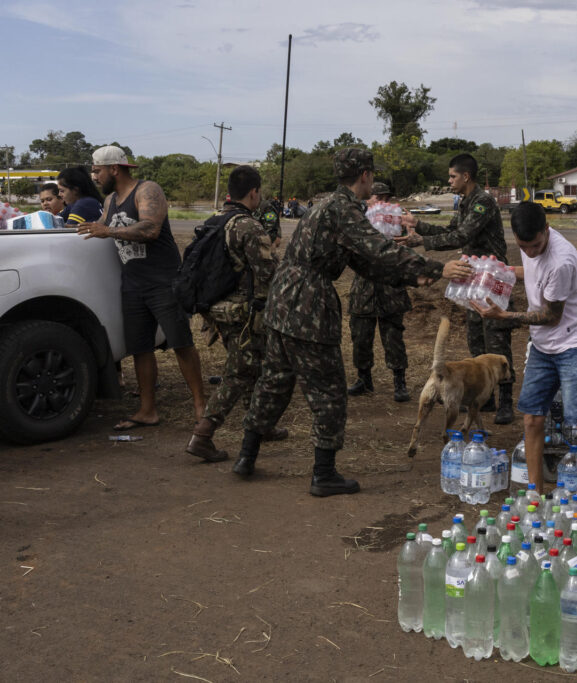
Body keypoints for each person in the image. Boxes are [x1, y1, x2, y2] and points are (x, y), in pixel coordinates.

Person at [233, 148, 471, 496]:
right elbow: (379, 248)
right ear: (365, 175)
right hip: (307, 305)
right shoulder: (344, 209)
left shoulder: (327, 206)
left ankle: (246, 456)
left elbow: (363, 261)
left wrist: (408, 277)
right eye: (371, 174)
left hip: (283, 301)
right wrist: (435, 267)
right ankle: (324, 474)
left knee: (274, 380)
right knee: (329, 391)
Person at [472, 201, 577, 488]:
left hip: (574, 345)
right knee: (532, 419)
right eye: (524, 246)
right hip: (544, 347)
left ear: (547, 229)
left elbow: (550, 316)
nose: (530, 251)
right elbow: (531, 270)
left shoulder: (562, 261)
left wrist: (504, 315)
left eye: (535, 245)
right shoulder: (528, 240)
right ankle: (535, 493)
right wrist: (502, 272)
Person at [78, 145, 207, 430]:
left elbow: (150, 228)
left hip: (163, 281)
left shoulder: (147, 190)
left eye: (97, 170)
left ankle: (202, 407)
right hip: (133, 284)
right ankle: (147, 410)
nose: (94, 176)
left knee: (181, 343)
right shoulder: (111, 199)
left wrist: (108, 231)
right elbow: (97, 227)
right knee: (140, 348)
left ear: (114, 168)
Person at [396, 153, 516, 424]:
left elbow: (462, 236)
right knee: (476, 337)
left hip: (492, 278)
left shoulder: (483, 202)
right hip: (474, 278)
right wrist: (420, 227)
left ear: (466, 176)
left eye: (452, 176)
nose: (449, 181)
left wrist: (422, 242)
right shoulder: (465, 202)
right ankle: (485, 398)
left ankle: (506, 401)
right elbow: (451, 228)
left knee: (496, 338)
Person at [185, 165, 287, 462]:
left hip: (217, 309)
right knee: (239, 373)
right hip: (244, 314)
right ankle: (203, 434)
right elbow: (267, 273)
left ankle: (260, 425)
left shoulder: (213, 221)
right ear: (254, 193)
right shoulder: (250, 227)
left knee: (253, 365)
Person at [347, 181, 412, 402]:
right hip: (364, 286)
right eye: (378, 197)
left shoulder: (396, 218)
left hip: (391, 286)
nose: (383, 202)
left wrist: (406, 234)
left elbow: (406, 246)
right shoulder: (359, 219)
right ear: (369, 199)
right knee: (360, 337)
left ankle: (399, 382)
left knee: (393, 336)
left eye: (386, 197)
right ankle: (364, 379)